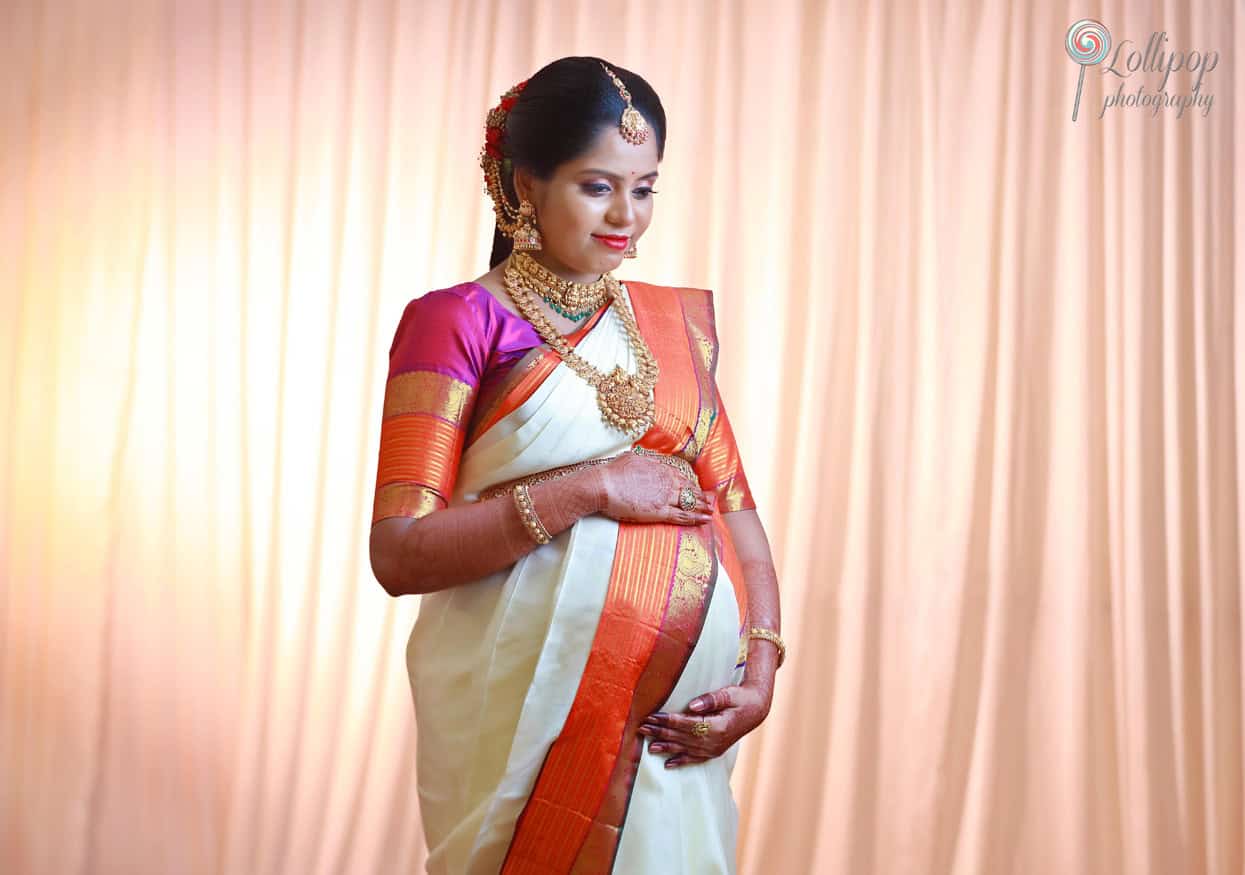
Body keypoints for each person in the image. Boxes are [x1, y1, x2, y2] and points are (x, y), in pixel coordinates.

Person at [368, 56, 785, 874]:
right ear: (527, 184)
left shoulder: (673, 328)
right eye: (598, 187)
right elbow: (398, 551)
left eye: (645, 187)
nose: (626, 216)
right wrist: (588, 486)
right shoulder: (456, 322)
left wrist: (760, 669)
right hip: (517, 727)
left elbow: (738, 516)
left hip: (674, 746)